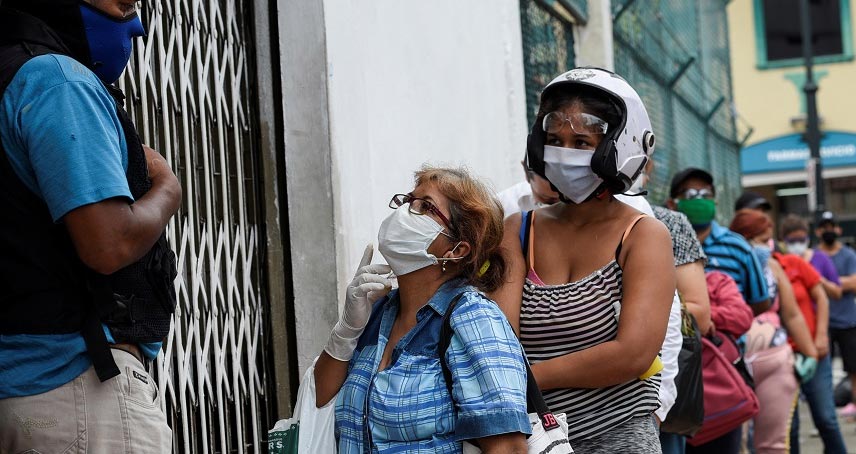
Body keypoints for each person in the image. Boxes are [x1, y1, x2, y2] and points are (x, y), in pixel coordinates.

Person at [0, 1, 180, 452]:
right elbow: (108, 245)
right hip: (75, 393)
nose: (136, 25)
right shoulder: (57, 81)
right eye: (123, 5)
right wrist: (167, 189)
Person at [493, 67, 675, 452]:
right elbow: (501, 338)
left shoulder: (643, 235)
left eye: (581, 142)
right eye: (555, 140)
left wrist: (529, 378)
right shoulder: (517, 230)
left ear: (618, 147)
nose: (564, 153)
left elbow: (634, 353)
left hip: (620, 437)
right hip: (531, 439)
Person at [315, 166, 531, 452]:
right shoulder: (377, 312)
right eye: (408, 200)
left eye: (425, 206)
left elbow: (508, 448)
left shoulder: (474, 318)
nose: (405, 211)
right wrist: (346, 331)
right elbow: (320, 398)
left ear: (457, 250)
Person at [730, 210, 825, 454]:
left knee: (773, 444)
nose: (767, 246)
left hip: (775, 362)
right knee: (735, 444)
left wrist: (811, 354)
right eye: (761, 240)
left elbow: (792, 314)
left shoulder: (773, 266)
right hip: (732, 365)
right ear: (743, 238)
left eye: (768, 240)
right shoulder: (722, 262)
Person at [667, 168, 771, 316]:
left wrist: (729, 319)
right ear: (672, 204)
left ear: (714, 201)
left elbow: (760, 302)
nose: (699, 200)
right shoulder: (662, 246)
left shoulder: (738, 247)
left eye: (705, 194)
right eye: (690, 194)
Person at [815, 211, 856, 423]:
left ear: (838, 229)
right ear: (817, 231)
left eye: (832, 226)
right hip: (822, 324)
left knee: (854, 368)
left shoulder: (848, 255)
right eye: (824, 227)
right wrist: (841, 282)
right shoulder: (814, 256)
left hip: (848, 321)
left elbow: (855, 283)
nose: (829, 230)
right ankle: (826, 415)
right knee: (823, 372)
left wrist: (825, 281)